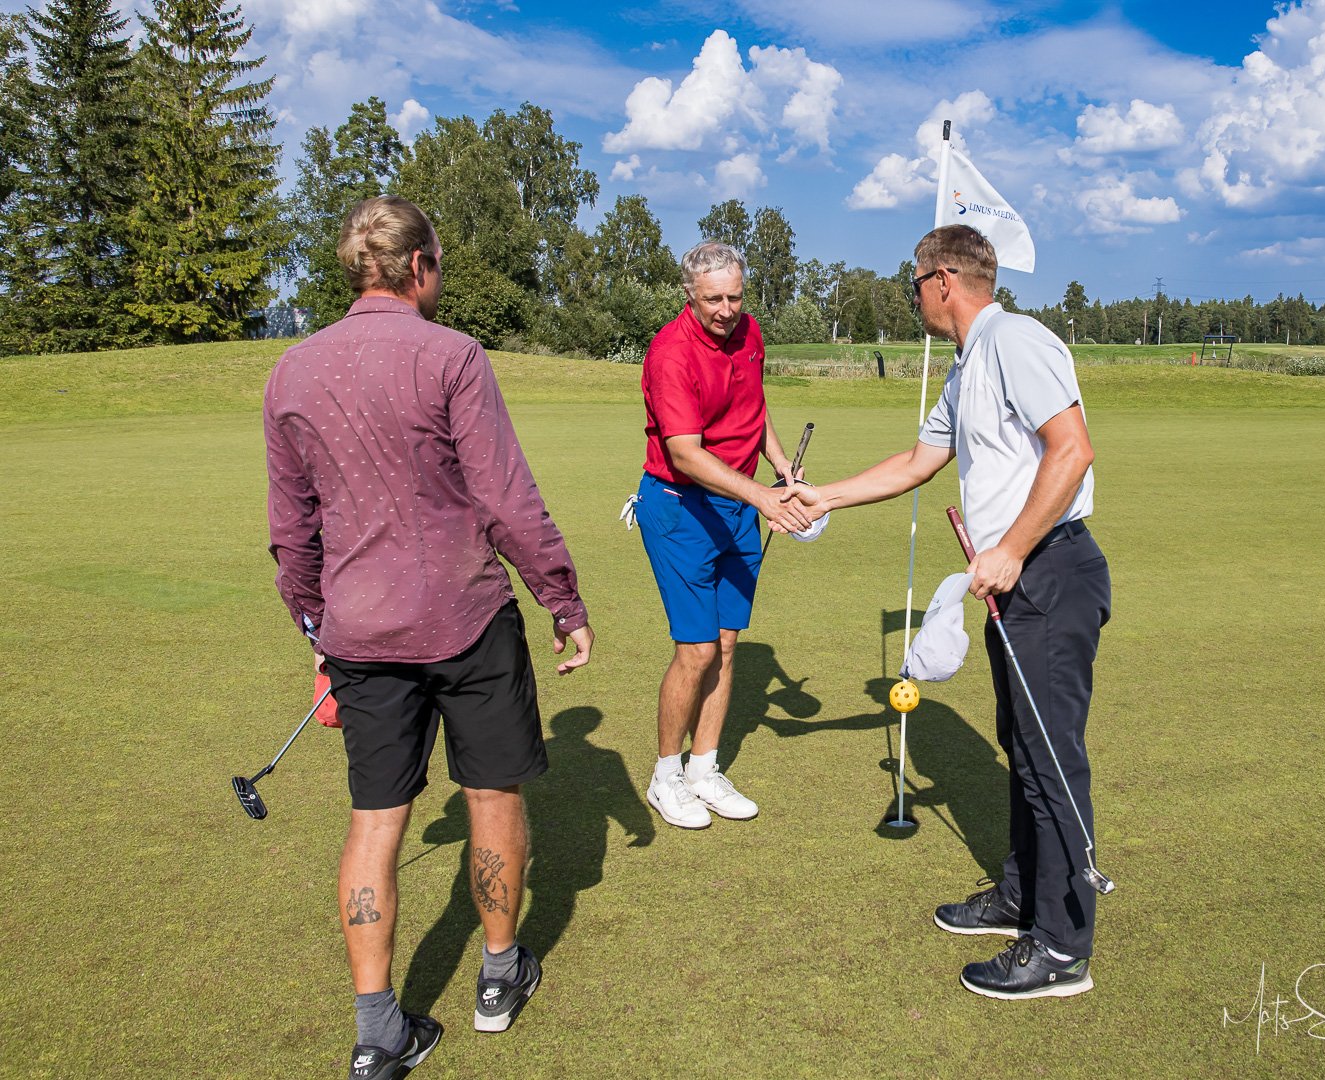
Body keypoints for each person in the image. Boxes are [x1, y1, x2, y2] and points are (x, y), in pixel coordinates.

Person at [264, 195, 594, 1078]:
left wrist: (316, 634)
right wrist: (563, 598)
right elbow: (506, 498)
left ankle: (378, 1031)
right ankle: (496, 978)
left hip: (360, 632)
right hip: (466, 618)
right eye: (439, 264)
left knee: (376, 819)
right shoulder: (452, 355)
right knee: (492, 796)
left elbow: (292, 535)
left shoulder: (292, 371)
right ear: (419, 269)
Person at [786, 224, 1111, 999]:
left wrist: (1012, 548)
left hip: (1051, 570)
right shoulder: (967, 369)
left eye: (913, 284)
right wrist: (819, 495)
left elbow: (1073, 449)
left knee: (1051, 759)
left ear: (943, 281)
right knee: (1023, 749)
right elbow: (916, 462)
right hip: (1013, 580)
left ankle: (1062, 948)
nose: (913, 298)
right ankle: (1021, 896)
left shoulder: (1016, 340)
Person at [632, 241, 812, 829]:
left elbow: (754, 413)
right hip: (681, 509)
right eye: (714, 298)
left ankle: (704, 769)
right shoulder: (670, 354)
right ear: (690, 294)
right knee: (698, 648)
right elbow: (684, 453)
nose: (727, 309)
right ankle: (666, 776)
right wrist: (764, 496)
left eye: (735, 296)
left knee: (728, 645)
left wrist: (782, 469)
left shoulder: (750, 332)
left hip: (738, 507)